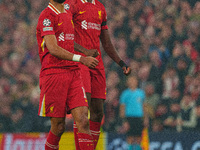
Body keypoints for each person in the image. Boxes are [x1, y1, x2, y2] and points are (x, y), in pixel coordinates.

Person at [64, 0, 131, 149]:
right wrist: (85, 52)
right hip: (80, 61)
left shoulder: (100, 7)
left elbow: (106, 43)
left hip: (97, 64)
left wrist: (121, 63)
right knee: (82, 110)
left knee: (98, 112)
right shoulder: (72, 4)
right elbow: (64, 36)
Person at [36, 0, 99, 149]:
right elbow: (53, 48)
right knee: (58, 127)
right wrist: (82, 58)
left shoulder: (67, 12)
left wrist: (84, 51)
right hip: (54, 74)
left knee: (83, 120)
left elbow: (67, 41)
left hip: (73, 72)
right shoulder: (47, 16)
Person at [119, 76, 147, 150]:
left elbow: (144, 106)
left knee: (138, 138)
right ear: (127, 82)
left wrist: (145, 118)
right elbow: (122, 108)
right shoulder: (125, 94)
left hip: (139, 117)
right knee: (130, 137)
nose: (132, 82)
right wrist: (124, 121)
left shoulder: (141, 93)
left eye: (134, 80)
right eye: (130, 80)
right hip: (129, 117)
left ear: (137, 81)